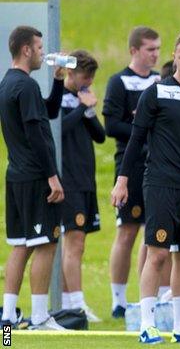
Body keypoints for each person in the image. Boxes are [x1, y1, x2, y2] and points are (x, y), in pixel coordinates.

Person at [110, 30, 180, 344]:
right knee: (157, 254)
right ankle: (147, 325)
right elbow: (135, 141)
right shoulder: (156, 92)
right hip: (161, 183)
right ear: (174, 57)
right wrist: (122, 181)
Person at [0, 25, 66, 330]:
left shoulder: (8, 83)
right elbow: (37, 136)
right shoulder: (24, 86)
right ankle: (40, 317)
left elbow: (49, 111)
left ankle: (7, 318)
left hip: (15, 175)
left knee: (21, 245)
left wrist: (59, 80)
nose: (43, 53)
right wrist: (52, 177)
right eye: (39, 48)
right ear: (26, 49)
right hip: (36, 178)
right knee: (46, 243)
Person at [103, 26, 163, 318]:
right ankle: (118, 299)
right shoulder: (119, 82)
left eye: (158, 49)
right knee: (127, 232)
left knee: (154, 236)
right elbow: (111, 126)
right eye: (150, 49)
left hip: (158, 167)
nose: (155, 54)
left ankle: (148, 298)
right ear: (134, 51)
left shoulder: (161, 81)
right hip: (129, 165)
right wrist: (142, 127)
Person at [58, 50, 105, 322]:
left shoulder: (81, 97)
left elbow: (99, 136)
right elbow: (57, 130)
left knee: (78, 243)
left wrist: (88, 109)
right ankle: (77, 304)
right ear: (70, 73)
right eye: (84, 77)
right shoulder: (56, 98)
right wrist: (79, 108)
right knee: (74, 242)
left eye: (91, 78)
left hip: (86, 179)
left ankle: (68, 304)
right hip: (68, 180)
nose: (88, 82)